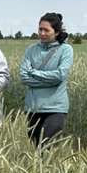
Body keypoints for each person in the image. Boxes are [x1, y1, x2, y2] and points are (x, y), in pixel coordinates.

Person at [20, 13, 74, 145]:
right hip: (32, 108)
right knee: (33, 147)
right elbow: (24, 78)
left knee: (48, 147)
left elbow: (59, 76)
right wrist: (49, 79)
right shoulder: (31, 50)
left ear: (57, 32)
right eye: (40, 29)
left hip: (55, 108)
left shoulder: (65, 50)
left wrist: (34, 72)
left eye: (46, 30)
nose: (42, 33)